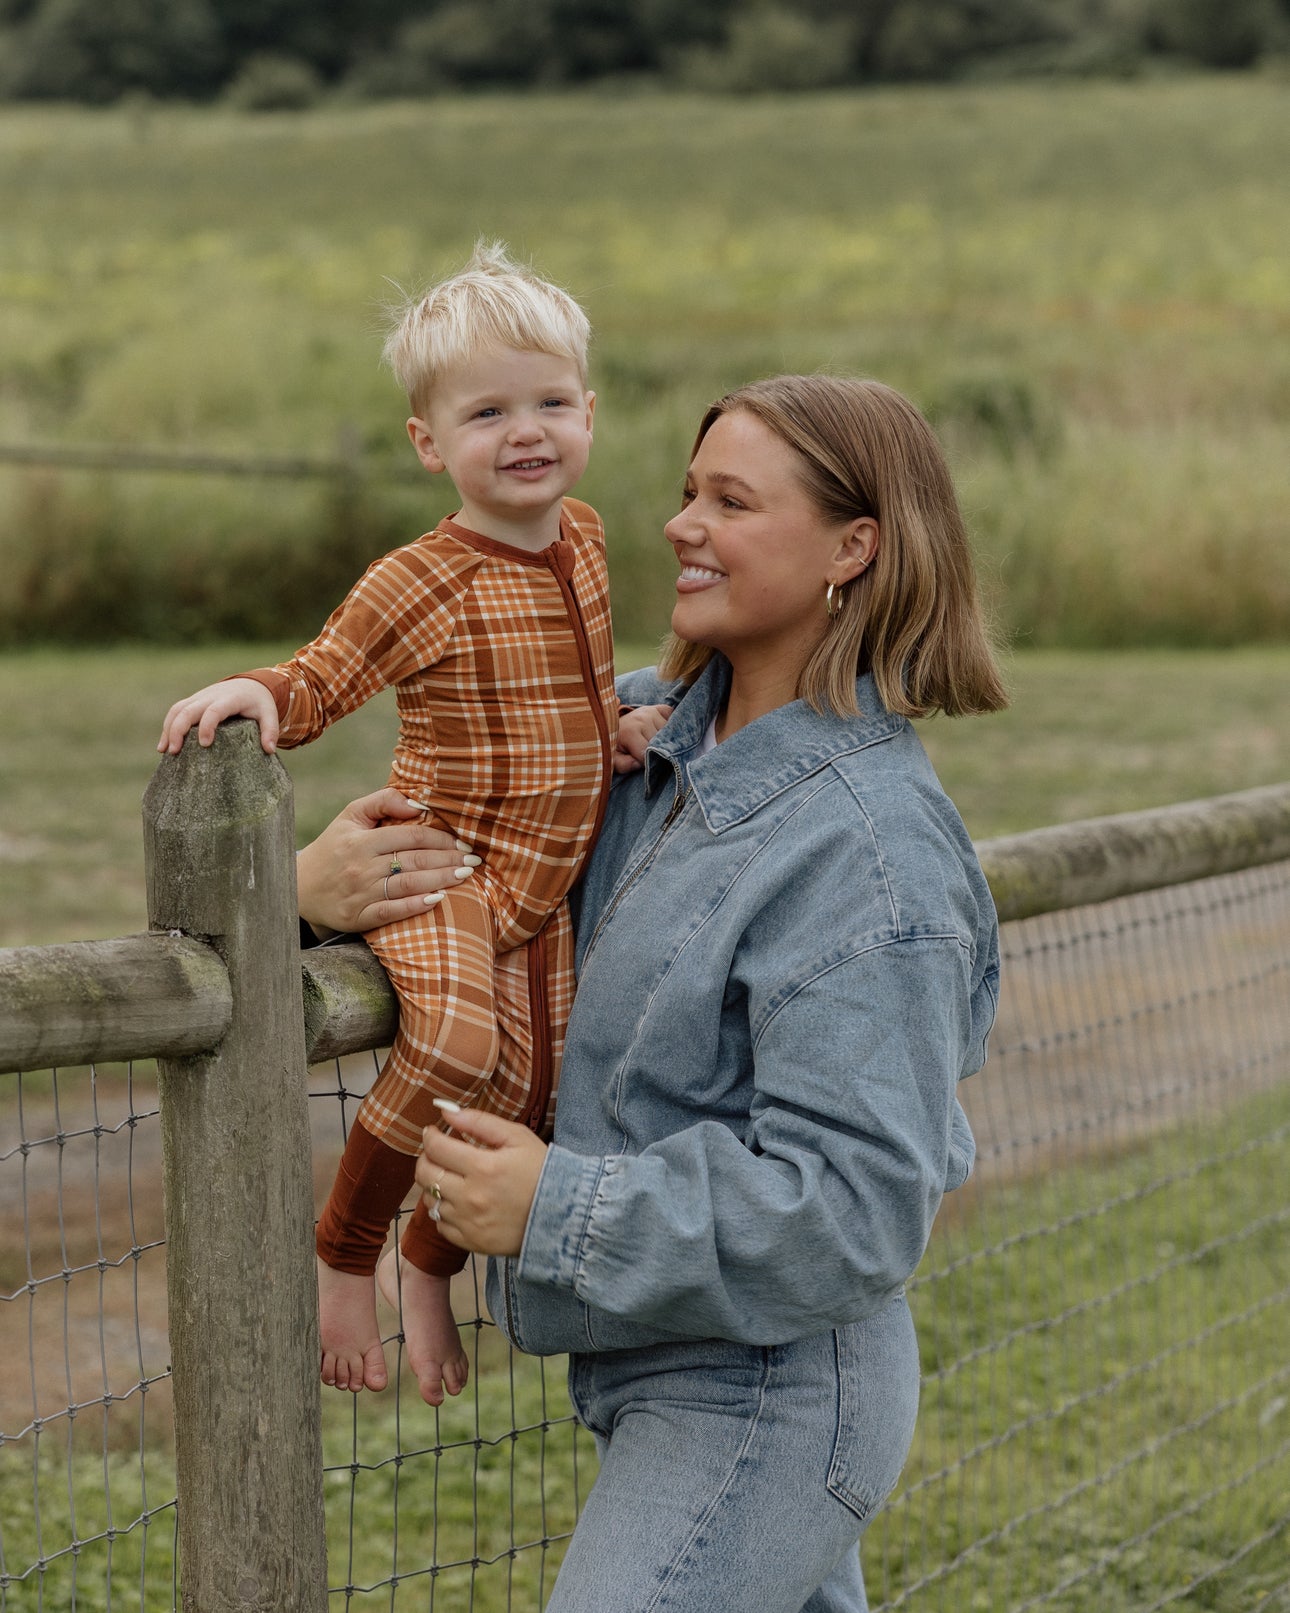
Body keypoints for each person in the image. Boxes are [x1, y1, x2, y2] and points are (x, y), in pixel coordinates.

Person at [297, 373, 1009, 1612]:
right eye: (689, 492)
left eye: (731, 500)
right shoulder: (635, 740)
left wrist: (556, 1202)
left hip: (774, 1392)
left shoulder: (871, 855)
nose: (681, 525)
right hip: (665, 1368)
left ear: (855, 548)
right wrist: (311, 892)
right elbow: (461, 861)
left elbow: (855, 1209)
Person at [157, 241, 670, 1408]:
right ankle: (346, 1253)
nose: (525, 430)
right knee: (449, 1048)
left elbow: (583, 674)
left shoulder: (584, 536)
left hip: (550, 878)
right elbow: (331, 671)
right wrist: (262, 697)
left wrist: (614, 733)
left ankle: (428, 1265)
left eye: (549, 402)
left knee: (542, 1094)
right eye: (487, 411)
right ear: (430, 443)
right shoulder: (420, 577)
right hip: (443, 865)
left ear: (588, 412)